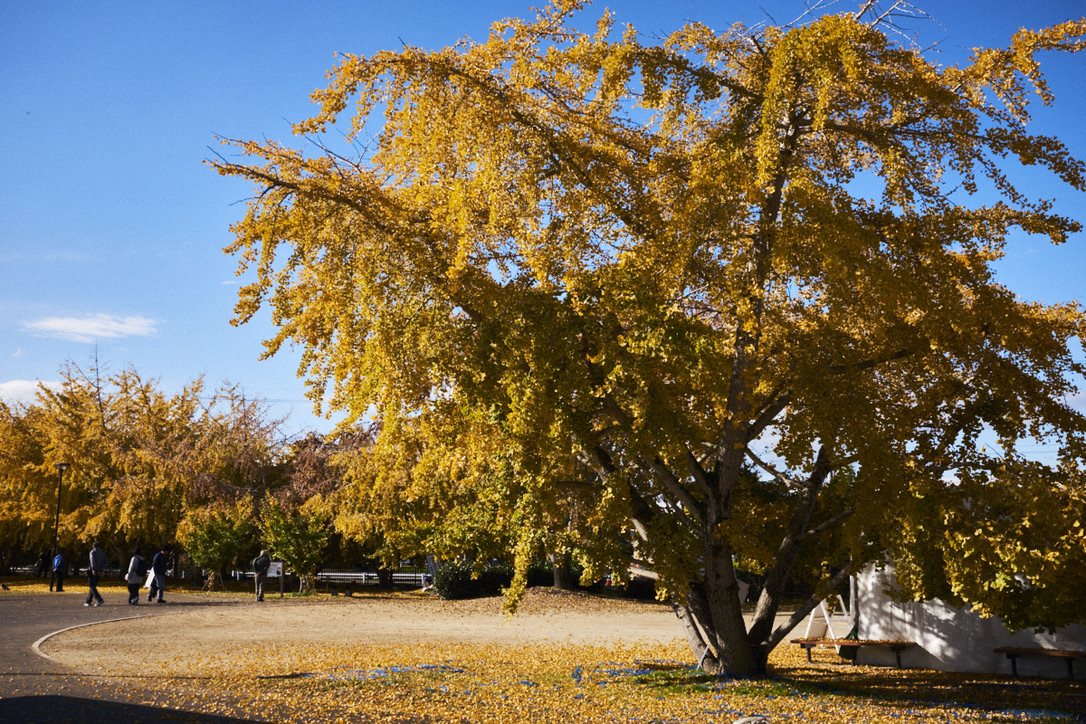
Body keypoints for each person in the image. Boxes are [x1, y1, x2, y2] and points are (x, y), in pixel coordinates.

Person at [84, 541, 106, 607]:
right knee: (93, 586)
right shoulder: (102, 554)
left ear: (93, 546)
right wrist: (100, 569)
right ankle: (88, 601)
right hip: (99, 571)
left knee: (91, 585)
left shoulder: (92, 552)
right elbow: (105, 562)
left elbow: (92, 561)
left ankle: (99, 599)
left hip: (92, 570)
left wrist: (93, 569)